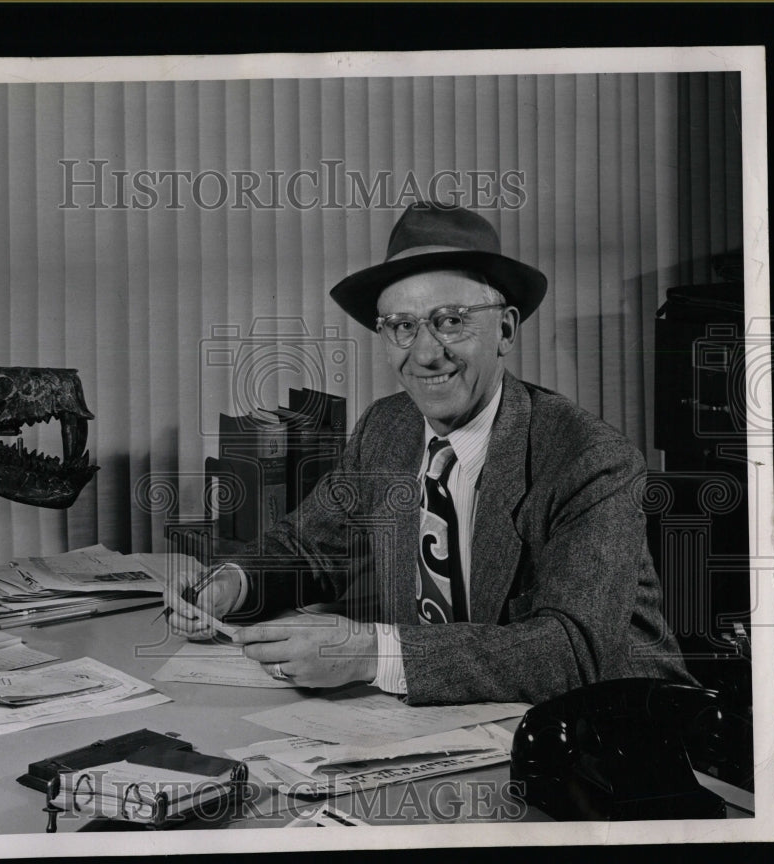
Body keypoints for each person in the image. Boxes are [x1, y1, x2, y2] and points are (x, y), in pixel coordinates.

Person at [168, 202, 693, 705]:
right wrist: (234, 584)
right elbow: (309, 548)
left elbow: (572, 650)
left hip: (613, 735)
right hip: (454, 724)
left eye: (450, 320)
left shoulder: (588, 458)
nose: (424, 353)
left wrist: (371, 653)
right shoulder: (387, 428)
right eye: (401, 326)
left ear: (505, 329)